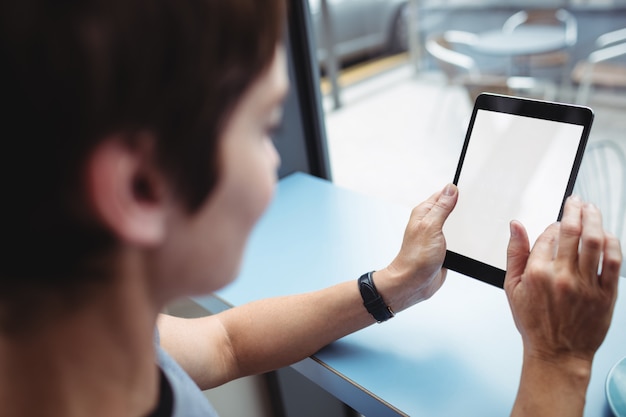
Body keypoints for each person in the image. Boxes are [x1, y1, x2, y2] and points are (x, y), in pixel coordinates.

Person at [0, 0, 622, 416]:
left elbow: (222, 342)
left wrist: (392, 286)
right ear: (141, 189)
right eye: (264, 127)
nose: (273, 161)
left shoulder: (83, 341)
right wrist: (558, 360)